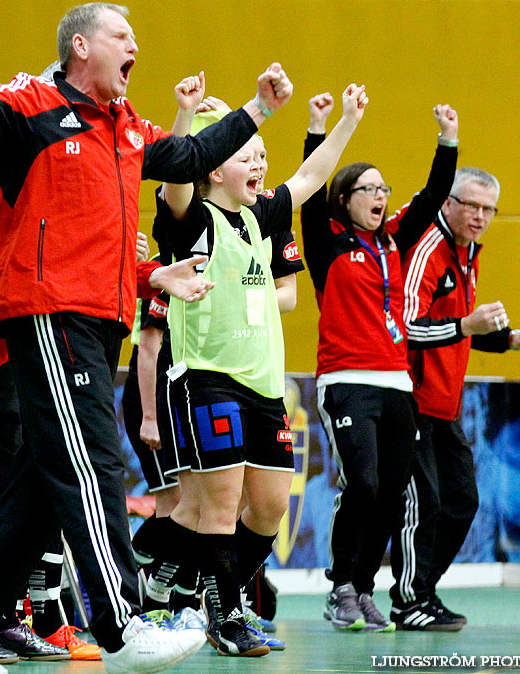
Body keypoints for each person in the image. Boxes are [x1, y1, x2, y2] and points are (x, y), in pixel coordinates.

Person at [0, 0, 293, 674]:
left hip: (103, 319)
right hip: (46, 311)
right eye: (121, 35)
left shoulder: (125, 128)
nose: (134, 47)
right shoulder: (33, 108)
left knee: (44, 477)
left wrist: (257, 109)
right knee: (96, 463)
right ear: (81, 47)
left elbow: (187, 156)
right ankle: (119, 622)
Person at [153, 79, 366, 656]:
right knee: (217, 505)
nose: (259, 163)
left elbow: (310, 178)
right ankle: (224, 617)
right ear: (212, 170)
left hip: (265, 388)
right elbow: (174, 175)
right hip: (207, 377)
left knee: (269, 507)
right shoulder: (192, 216)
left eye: (261, 155)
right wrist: (184, 114)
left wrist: (346, 121)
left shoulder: (261, 217)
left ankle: (196, 587)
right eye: (245, 154)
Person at [300, 93, 459, 633]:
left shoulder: (394, 241)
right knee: (362, 484)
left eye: (383, 189)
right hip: (346, 382)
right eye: (368, 188)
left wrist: (448, 139)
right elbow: (310, 188)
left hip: (397, 384)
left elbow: (436, 195)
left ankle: (364, 588)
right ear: (345, 199)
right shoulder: (328, 247)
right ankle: (341, 584)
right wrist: (319, 127)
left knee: (392, 492)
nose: (379, 195)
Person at [391, 166, 520, 630]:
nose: (480, 216)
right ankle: (406, 602)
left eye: (488, 209)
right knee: (425, 504)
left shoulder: (469, 250)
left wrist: (510, 338)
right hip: (411, 397)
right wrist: (466, 326)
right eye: (471, 205)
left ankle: (423, 592)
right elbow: (404, 329)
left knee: (463, 502)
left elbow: (461, 327)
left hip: (447, 402)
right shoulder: (427, 251)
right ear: (447, 204)